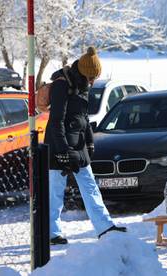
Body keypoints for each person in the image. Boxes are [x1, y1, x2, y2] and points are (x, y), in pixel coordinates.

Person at [45, 46, 126, 245]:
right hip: (59, 145)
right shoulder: (62, 85)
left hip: (79, 145)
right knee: (55, 190)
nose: (94, 81)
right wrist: (64, 151)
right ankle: (51, 232)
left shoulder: (82, 86)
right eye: (92, 77)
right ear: (84, 72)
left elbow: (83, 117)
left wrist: (89, 142)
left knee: (90, 187)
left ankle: (105, 227)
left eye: (95, 77)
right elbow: (56, 121)